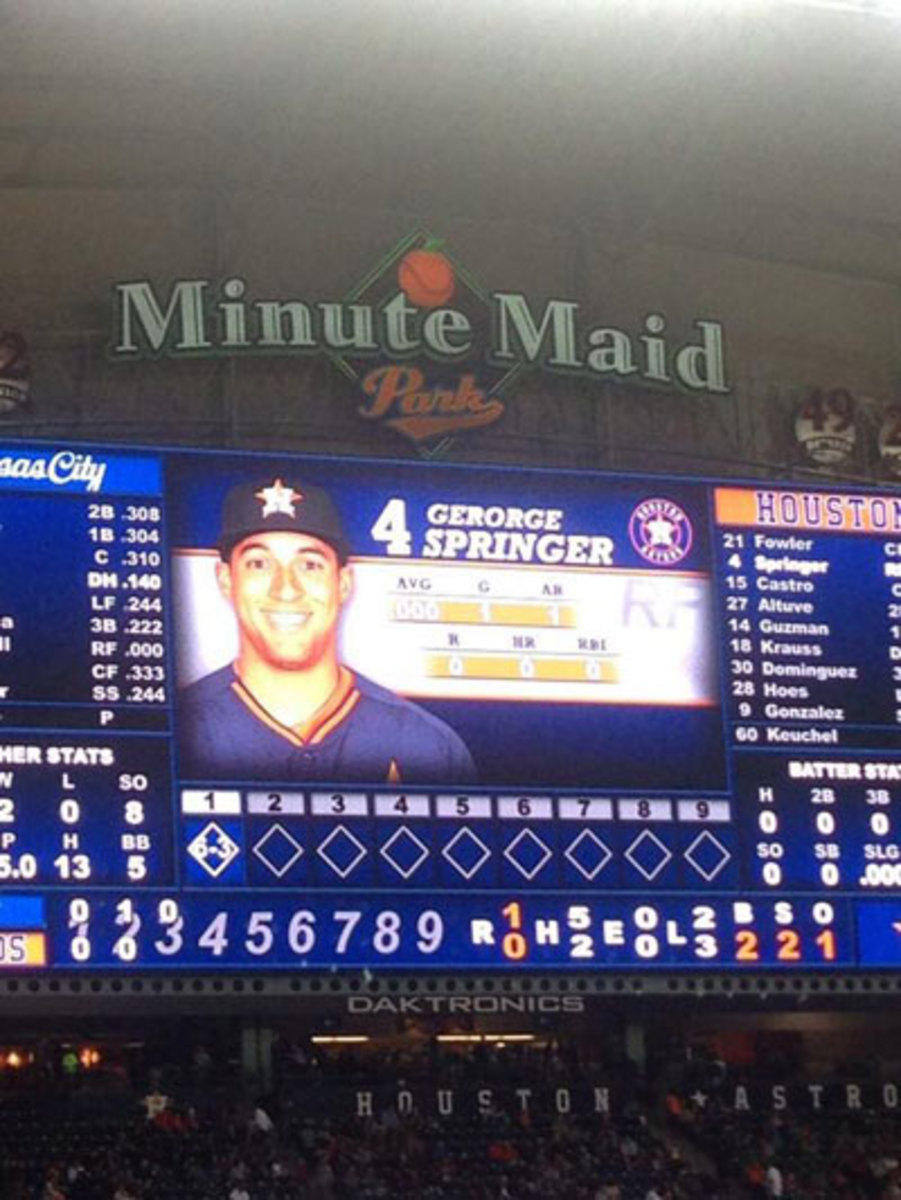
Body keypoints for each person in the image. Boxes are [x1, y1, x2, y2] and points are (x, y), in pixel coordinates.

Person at [178, 474, 476, 784]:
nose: (286, 590)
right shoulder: (176, 728)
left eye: (310, 565)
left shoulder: (427, 745)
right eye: (259, 564)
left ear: (343, 583)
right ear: (225, 579)